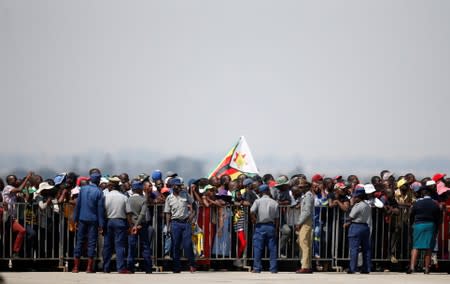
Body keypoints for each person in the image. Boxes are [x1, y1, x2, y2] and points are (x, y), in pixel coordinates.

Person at [72, 169, 105, 273]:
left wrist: (75, 219)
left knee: (80, 241)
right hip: (93, 220)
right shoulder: (99, 192)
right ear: (98, 180)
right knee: (92, 243)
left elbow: (78, 205)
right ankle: (89, 268)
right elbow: (100, 210)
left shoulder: (83, 189)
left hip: (82, 218)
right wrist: (101, 224)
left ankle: (76, 267)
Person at [164, 177, 196, 273]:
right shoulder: (169, 198)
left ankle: (192, 264)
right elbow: (167, 213)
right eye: (177, 186)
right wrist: (168, 226)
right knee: (175, 245)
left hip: (185, 223)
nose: (179, 187)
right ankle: (176, 267)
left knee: (187, 245)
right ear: (173, 186)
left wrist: (192, 215)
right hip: (175, 223)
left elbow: (194, 205)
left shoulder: (185, 194)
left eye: (179, 185)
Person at [407, 186, 442, 274]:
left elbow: (412, 214)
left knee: (416, 246)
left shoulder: (417, 203)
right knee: (429, 247)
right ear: (430, 194)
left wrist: (412, 224)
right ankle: (426, 269)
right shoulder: (435, 203)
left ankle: (411, 267)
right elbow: (438, 217)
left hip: (418, 225)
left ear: (422, 194)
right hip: (430, 225)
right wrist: (437, 227)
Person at [250, 184, 279, 273]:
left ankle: (257, 268)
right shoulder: (275, 202)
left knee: (258, 248)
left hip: (260, 226)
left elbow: (252, 211)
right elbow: (277, 218)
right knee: (272, 248)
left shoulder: (257, 201)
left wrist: (254, 219)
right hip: (271, 226)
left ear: (262, 192)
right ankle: (273, 268)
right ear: (268, 191)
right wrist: (276, 229)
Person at [2, 173, 32, 257]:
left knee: (21, 231)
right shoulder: (7, 188)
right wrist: (26, 179)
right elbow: (19, 189)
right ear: (10, 181)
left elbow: (27, 196)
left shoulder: (14, 190)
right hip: (5, 216)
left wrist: (27, 187)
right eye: (14, 179)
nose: (16, 180)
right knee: (7, 237)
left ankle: (15, 252)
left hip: (12, 218)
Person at [102, 176, 128, 274]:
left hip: (108, 221)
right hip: (120, 221)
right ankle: (120, 268)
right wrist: (129, 224)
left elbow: (102, 211)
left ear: (110, 186)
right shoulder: (124, 197)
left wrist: (102, 224)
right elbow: (128, 212)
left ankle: (106, 268)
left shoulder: (105, 197)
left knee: (107, 246)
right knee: (120, 246)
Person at [127, 180, 153, 274]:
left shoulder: (129, 199)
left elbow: (128, 214)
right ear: (139, 189)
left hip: (131, 226)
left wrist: (132, 226)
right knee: (145, 246)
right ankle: (148, 268)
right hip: (142, 225)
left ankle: (130, 268)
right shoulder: (143, 200)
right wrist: (137, 224)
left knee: (132, 247)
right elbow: (142, 214)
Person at [344, 187, 371, 274]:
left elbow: (351, 216)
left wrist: (347, 221)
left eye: (355, 197)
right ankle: (366, 268)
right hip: (365, 227)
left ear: (359, 197)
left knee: (354, 249)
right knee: (366, 249)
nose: (354, 198)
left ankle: (352, 268)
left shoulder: (357, 205)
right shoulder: (367, 205)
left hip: (356, 227)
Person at [295, 181, 315, 273]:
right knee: (304, 243)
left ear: (307, 187)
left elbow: (307, 211)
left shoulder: (308, 196)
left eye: (301, 187)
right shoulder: (306, 196)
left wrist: (299, 223)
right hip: (306, 221)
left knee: (304, 243)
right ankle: (308, 265)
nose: (300, 189)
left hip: (306, 221)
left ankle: (305, 266)